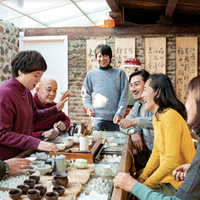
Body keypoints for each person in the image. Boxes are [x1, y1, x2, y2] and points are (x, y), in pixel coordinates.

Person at [113, 73, 196, 197]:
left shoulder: (170, 116)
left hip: (179, 183)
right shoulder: (157, 118)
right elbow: (156, 153)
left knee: (133, 195)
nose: (142, 95)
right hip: (167, 179)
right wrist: (142, 178)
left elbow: (170, 162)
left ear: (157, 93)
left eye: (145, 89)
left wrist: (143, 187)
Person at [0, 50, 70, 161]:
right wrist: (36, 143)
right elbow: (2, 134)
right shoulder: (5, 93)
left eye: (40, 76)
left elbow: (35, 117)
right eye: (36, 76)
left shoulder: (26, 92)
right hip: (7, 160)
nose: (38, 80)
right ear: (20, 72)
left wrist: (56, 108)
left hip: (22, 154)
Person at [81, 44, 129, 131]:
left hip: (115, 119)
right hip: (97, 118)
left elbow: (124, 96)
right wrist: (88, 106)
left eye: (105, 55)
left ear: (110, 57)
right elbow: (85, 93)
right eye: (99, 56)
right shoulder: (91, 74)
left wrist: (120, 113)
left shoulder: (120, 73)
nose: (102, 59)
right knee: (97, 142)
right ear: (96, 58)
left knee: (114, 143)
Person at [119, 69, 154, 171]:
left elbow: (157, 122)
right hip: (145, 159)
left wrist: (135, 122)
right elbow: (123, 124)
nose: (133, 89)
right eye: (131, 85)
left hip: (160, 161)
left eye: (137, 84)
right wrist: (132, 131)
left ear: (148, 85)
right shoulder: (138, 105)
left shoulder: (156, 104)